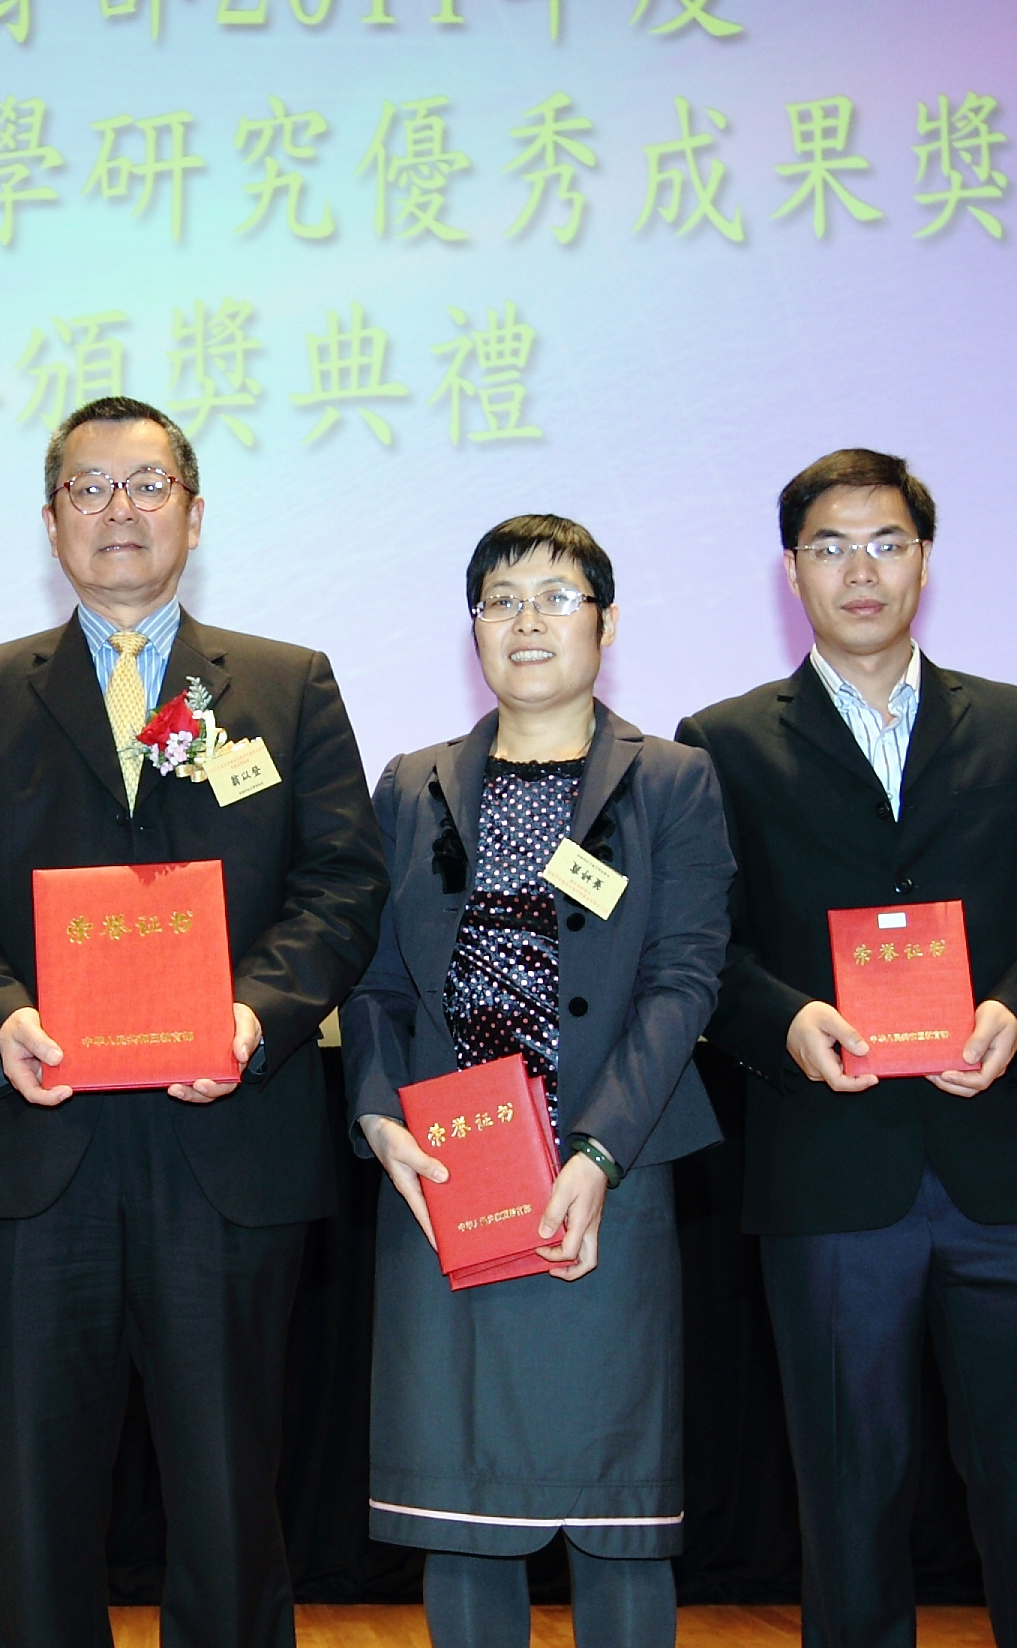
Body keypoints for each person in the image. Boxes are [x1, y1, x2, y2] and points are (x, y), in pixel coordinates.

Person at [0, 396, 389, 1648]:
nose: (120, 510)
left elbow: (343, 880)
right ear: (50, 519)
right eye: (90, 487)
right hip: (35, 1148)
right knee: (40, 1496)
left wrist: (252, 1016)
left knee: (228, 1486)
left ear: (196, 513)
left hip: (226, 1144)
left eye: (147, 484)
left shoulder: (286, 683)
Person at [675, 449, 1017, 1648]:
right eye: (830, 546)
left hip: (1013, 1173)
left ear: (925, 557)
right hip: (831, 1170)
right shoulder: (720, 742)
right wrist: (787, 1019)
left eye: (885, 542)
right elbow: (700, 944)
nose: (859, 569)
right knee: (849, 1503)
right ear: (792, 572)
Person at [345, 515, 733, 1648]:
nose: (527, 621)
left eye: (558, 597)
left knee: (616, 1512)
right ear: (472, 629)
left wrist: (598, 1150)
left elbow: (684, 978)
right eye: (501, 598)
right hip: (444, 1185)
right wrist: (378, 1118)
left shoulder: (672, 781)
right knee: (461, 1512)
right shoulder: (411, 784)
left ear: (605, 625)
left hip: (607, 1177)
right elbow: (372, 987)